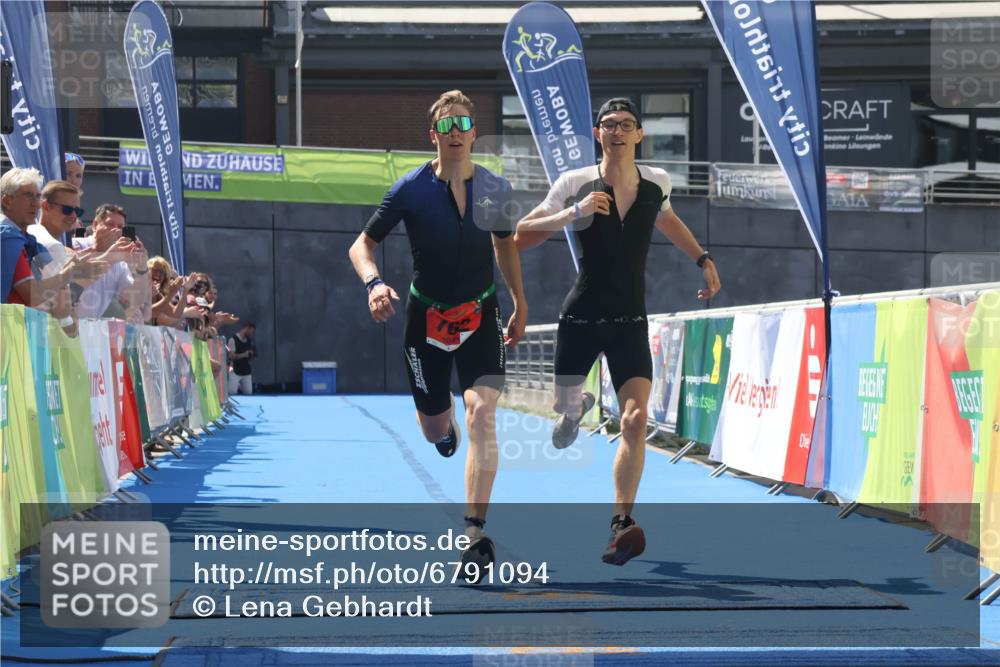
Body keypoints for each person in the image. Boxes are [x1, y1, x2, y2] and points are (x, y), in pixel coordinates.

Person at [515, 98, 721, 566]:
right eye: (609, 125)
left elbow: (667, 219)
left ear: (639, 135)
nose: (618, 132)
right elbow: (521, 234)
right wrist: (574, 212)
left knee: (634, 420)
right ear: (597, 133)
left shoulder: (656, 183)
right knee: (563, 411)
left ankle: (621, 523)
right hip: (582, 319)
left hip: (629, 321)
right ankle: (575, 408)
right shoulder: (576, 183)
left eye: (627, 125)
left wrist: (703, 259)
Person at [348, 90, 527, 580]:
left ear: (473, 132)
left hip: (481, 313)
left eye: (462, 123)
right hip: (425, 320)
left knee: (483, 412)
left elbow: (505, 245)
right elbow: (361, 245)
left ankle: (474, 533)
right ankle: (442, 431)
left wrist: (520, 300)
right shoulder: (410, 188)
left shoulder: (495, 186)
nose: (454, 132)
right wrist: (374, 283)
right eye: (445, 126)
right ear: (434, 136)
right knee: (435, 428)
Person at [0, 168, 104, 331]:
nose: (35, 203)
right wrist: (69, 274)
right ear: (7, 201)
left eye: (37, 195)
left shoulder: (23, 238)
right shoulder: (7, 238)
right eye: (28, 195)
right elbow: (35, 296)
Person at [227, 322, 256, 395]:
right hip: (235, 371)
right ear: (246, 328)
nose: (251, 334)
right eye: (251, 331)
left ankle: (239, 386)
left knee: (248, 393)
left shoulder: (249, 341)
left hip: (246, 371)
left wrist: (251, 354)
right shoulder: (233, 339)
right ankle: (237, 385)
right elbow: (231, 356)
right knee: (232, 393)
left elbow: (251, 354)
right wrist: (244, 355)